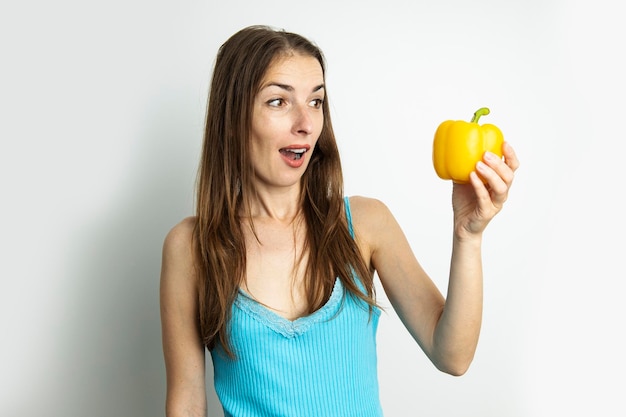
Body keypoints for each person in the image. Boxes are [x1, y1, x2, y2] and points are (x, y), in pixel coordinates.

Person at [159, 25, 519, 417]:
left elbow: (453, 355)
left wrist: (468, 236)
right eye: (278, 102)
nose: (306, 123)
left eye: (316, 102)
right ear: (233, 115)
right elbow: (187, 403)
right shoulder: (191, 247)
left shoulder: (365, 223)